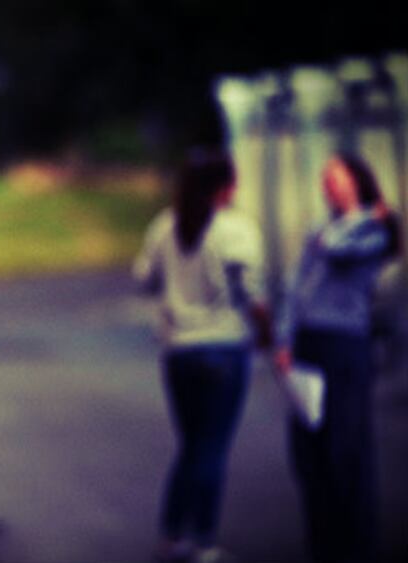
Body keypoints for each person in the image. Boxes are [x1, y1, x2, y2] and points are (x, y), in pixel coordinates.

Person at [133, 149, 270, 562]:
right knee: (211, 447)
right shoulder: (236, 230)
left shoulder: (164, 225)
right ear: (226, 187)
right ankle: (204, 541)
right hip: (224, 350)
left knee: (191, 445)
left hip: (178, 352)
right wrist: (268, 335)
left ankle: (172, 535)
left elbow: (143, 279)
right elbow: (254, 293)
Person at [274, 152, 401, 563]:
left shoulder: (372, 232)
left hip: (345, 344)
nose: (328, 185)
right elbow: (296, 287)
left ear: (358, 181)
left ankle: (355, 543)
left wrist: (366, 217)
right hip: (310, 344)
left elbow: (337, 249)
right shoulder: (322, 227)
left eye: (337, 177)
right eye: (325, 178)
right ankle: (322, 540)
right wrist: (283, 338)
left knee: (345, 448)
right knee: (308, 449)